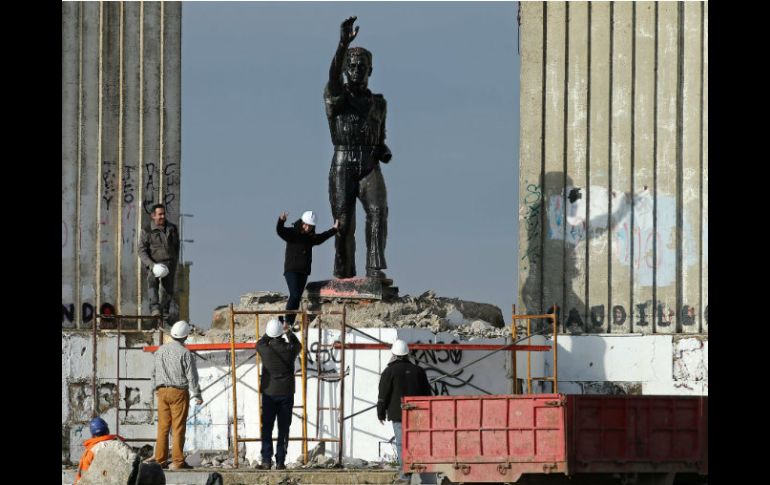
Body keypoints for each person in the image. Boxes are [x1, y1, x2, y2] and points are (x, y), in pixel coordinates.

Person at [325, 16, 392, 279]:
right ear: (345, 69)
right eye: (351, 66)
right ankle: (344, 273)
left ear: (370, 70)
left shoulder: (379, 103)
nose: (356, 70)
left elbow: (381, 135)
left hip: (368, 162)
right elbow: (332, 75)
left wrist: (382, 149)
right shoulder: (337, 96)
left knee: (378, 212)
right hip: (342, 162)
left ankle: (374, 269)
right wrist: (343, 43)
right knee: (343, 225)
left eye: (361, 66)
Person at [149, 320, 202, 470]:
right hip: (178, 392)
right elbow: (191, 376)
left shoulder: (160, 350)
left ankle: (160, 460)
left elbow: (153, 372)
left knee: (163, 428)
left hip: (162, 391)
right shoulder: (185, 353)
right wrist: (197, 393)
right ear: (185, 336)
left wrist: (156, 389)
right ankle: (178, 461)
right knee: (178, 427)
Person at [377, 340, 432, 484]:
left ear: (394, 354)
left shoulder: (389, 371)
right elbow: (428, 394)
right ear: (407, 353)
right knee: (416, 442)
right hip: (418, 413)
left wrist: (381, 413)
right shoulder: (418, 371)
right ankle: (418, 470)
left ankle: (405, 474)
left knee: (402, 443)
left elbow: (383, 395)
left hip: (398, 414)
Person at [276, 210, 338, 326]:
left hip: (304, 271)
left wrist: (334, 230)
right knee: (294, 295)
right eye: (306, 224)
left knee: (297, 297)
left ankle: (290, 322)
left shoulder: (311, 238)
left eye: (310, 226)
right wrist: (281, 221)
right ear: (302, 222)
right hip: (291, 270)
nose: (307, 227)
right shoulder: (292, 233)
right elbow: (280, 231)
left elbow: (322, 237)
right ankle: (287, 322)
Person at [256, 318, 303, 470]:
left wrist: (269, 334)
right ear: (281, 333)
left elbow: (259, 343)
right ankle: (281, 461)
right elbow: (299, 345)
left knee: (267, 427)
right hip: (286, 393)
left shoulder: (265, 349)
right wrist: (288, 331)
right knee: (283, 428)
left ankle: (266, 460)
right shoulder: (290, 349)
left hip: (269, 394)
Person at [139, 204, 180, 319]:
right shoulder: (146, 230)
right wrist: (151, 265)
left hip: (168, 263)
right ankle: (155, 309)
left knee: (168, 289)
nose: (162, 216)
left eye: (163, 214)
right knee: (152, 285)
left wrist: (173, 262)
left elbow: (176, 246)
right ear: (153, 216)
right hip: (154, 264)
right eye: (159, 214)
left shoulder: (172, 228)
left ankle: (165, 313)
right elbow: (141, 251)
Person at [74, 417, 126, 483]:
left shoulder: (91, 451)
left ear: (93, 434)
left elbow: (83, 476)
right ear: (107, 430)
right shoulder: (121, 446)